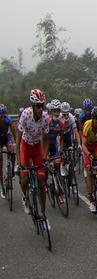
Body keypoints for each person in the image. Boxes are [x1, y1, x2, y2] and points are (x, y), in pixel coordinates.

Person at [16, 90, 52, 219]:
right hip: (25, 146)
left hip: (37, 148)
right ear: (32, 106)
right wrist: (18, 160)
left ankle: (43, 213)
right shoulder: (25, 115)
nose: (40, 109)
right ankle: (25, 196)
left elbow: (46, 139)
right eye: (38, 106)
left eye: (42, 105)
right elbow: (18, 139)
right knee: (24, 179)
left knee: (41, 181)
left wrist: (45, 155)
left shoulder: (45, 117)